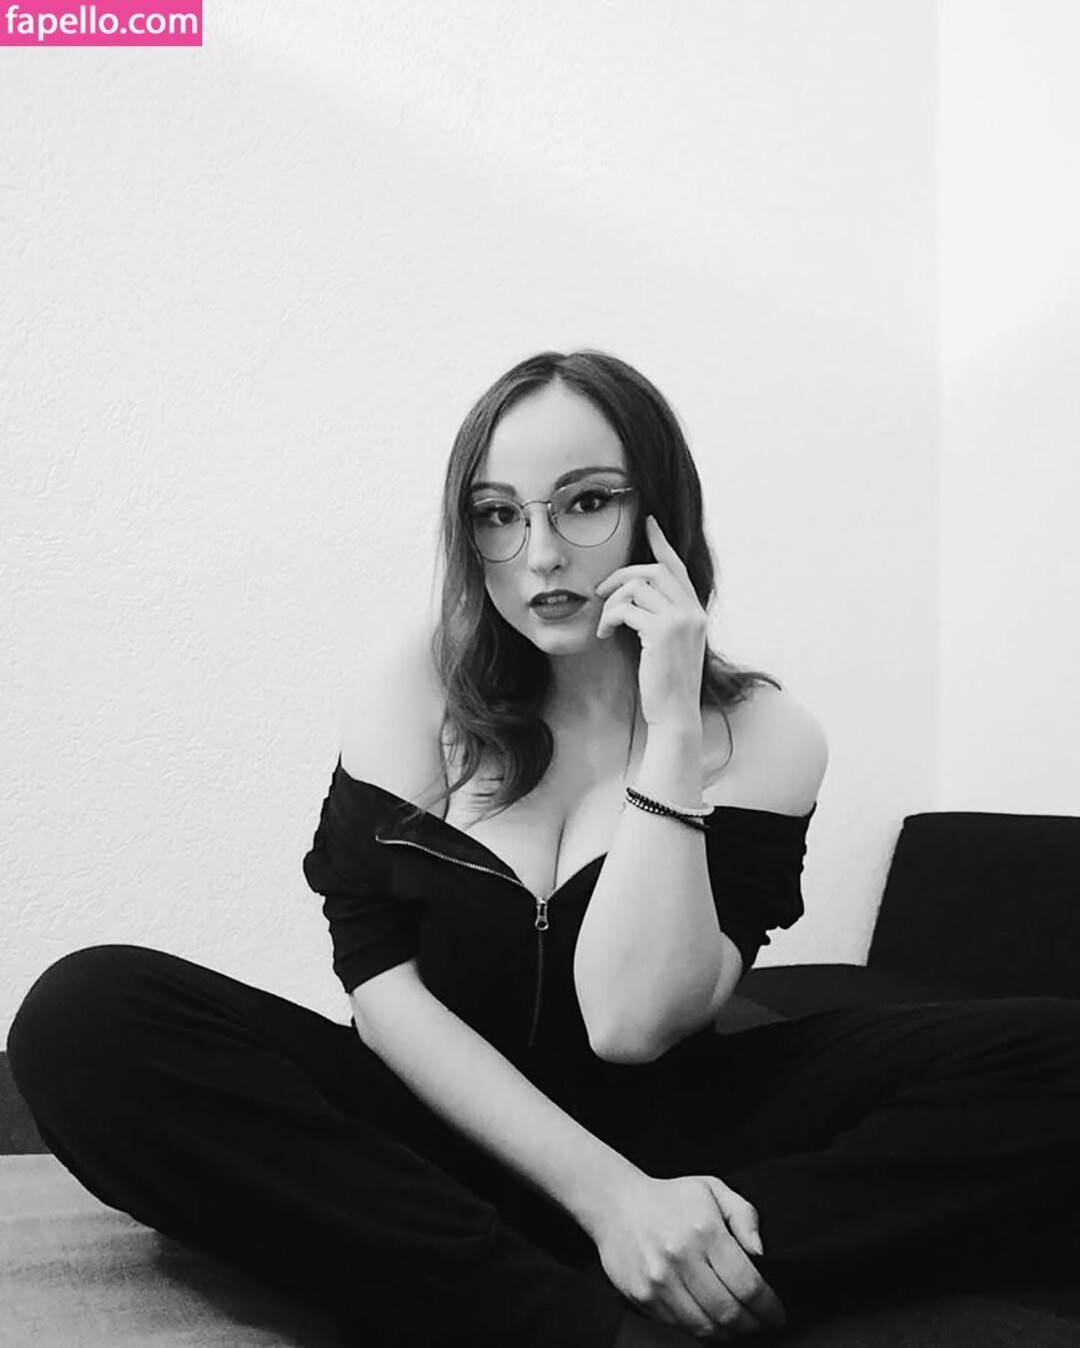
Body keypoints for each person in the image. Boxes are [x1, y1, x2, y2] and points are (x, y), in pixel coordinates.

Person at [8, 349, 1080, 1348]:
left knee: (1060, 1057)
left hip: (685, 1126)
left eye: (587, 501)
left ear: (661, 512)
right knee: (85, 1016)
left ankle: (666, 1260)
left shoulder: (766, 734)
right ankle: (586, 1315)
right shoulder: (416, 688)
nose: (541, 554)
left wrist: (669, 728)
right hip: (440, 1126)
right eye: (496, 515)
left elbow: (629, 1025)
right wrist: (610, 1202)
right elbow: (381, 989)